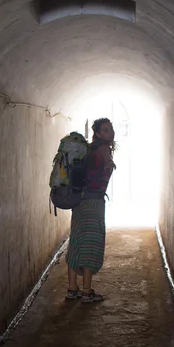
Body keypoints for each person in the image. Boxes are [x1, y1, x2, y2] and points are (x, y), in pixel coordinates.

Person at [65, 118, 116, 303]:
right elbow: (107, 161)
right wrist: (110, 163)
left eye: (111, 129)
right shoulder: (104, 149)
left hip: (79, 201)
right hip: (94, 202)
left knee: (76, 241)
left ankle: (72, 289)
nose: (111, 133)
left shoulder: (87, 149)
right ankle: (86, 291)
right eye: (106, 130)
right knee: (90, 244)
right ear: (98, 133)